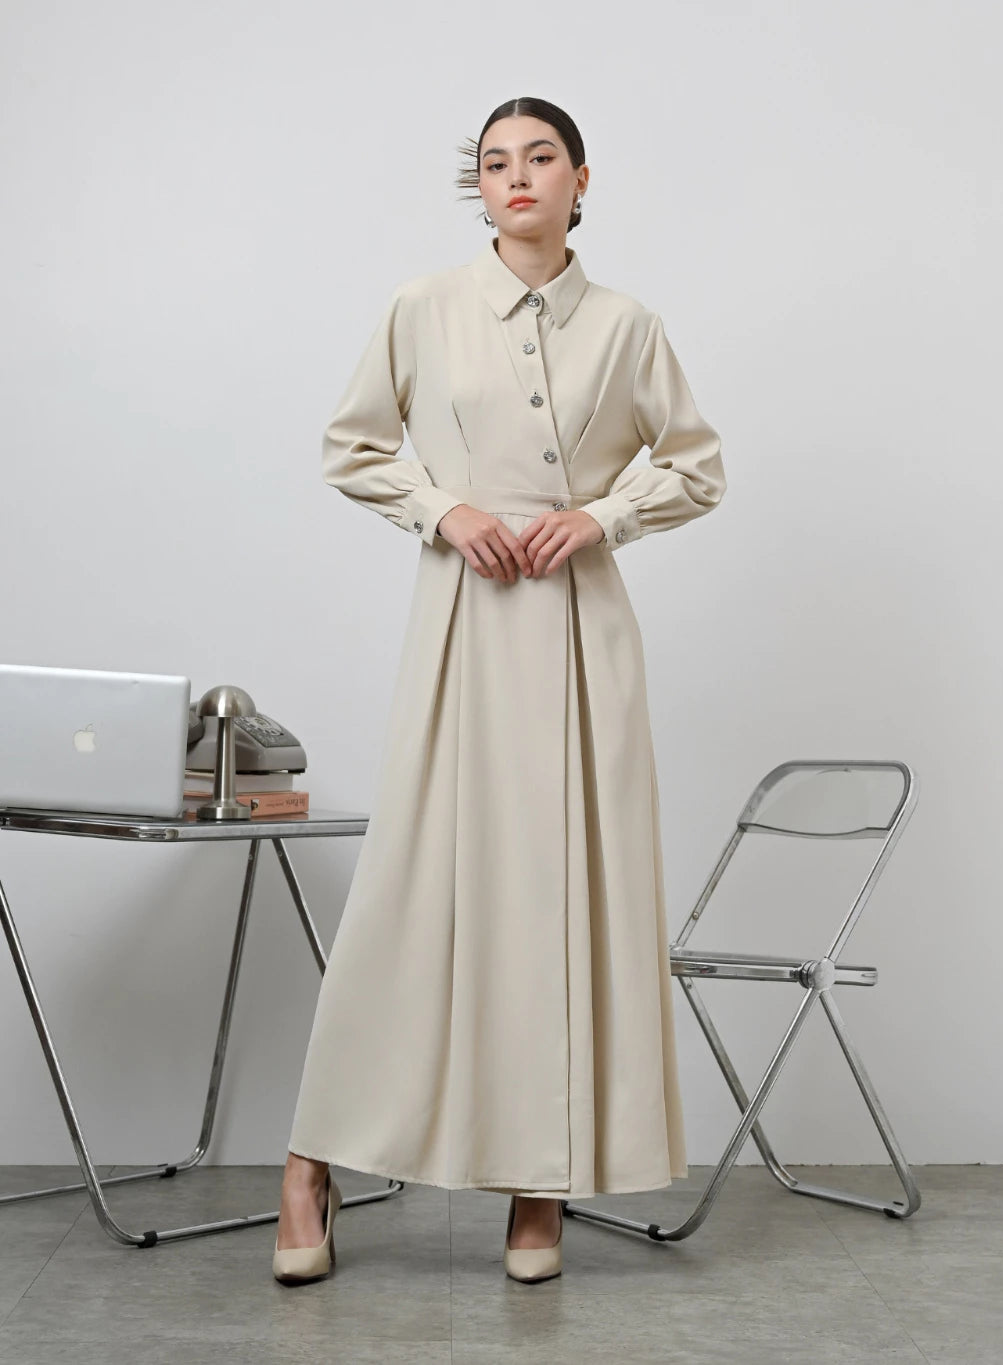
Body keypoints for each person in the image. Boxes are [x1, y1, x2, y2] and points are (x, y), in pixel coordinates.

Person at [272, 95, 726, 1286]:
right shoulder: (422, 310)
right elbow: (354, 446)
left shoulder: (627, 327)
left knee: (564, 903)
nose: (514, 177)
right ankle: (311, 1161)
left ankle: (541, 1183)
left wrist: (598, 516)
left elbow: (695, 466)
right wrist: (446, 510)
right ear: (474, 186)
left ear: (582, 179)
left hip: (581, 642)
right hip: (465, 627)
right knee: (413, 894)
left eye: (538, 159)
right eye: (493, 163)